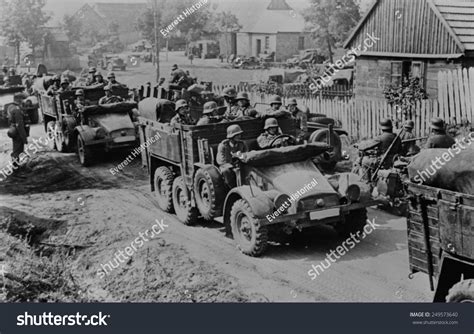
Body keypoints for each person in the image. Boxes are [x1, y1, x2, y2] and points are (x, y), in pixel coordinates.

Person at [216, 124, 248, 188]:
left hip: (240, 163)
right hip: (226, 166)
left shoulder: (242, 144)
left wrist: (239, 157)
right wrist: (232, 167)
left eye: (240, 134)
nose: (239, 136)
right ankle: (231, 187)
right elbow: (221, 161)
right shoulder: (223, 146)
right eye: (237, 135)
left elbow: (246, 155)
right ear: (231, 136)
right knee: (226, 171)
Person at [7, 93, 29, 166]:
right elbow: (19, 125)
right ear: (19, 99)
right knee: (18, 151)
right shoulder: (17, 110)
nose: (24, 101)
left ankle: (16, 168)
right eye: (23, 99)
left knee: (16, 150)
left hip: (14, 130)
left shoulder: (10, 107)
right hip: (18, 133)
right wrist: (24, 137)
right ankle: (16, 170)